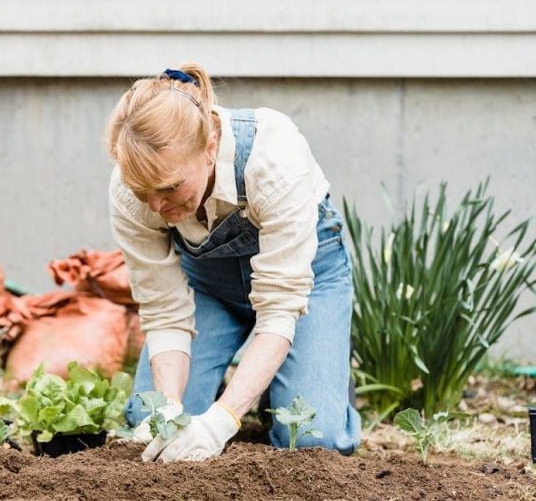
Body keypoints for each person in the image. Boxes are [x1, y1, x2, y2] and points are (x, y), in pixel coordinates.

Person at [105, 63, 361, 463]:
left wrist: (221, 421)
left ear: (209, 146)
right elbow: (164, 313)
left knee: (312, 439)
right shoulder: (131, 190)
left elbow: (278, 309)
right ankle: (259, 380)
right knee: (150, 421)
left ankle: (306, 374)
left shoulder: (273, 158)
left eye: (170, 187)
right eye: (144, 192)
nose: (157, 206)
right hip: (209, 289)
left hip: (306, 285)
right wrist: (171, 410)